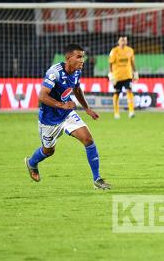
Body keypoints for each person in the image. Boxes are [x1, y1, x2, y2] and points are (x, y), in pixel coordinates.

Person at [24, 44, 111, 190]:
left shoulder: (77, 71)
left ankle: (97, 179)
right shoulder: (54, 73)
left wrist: (86, 108)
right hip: (49, 119)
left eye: (83, 57)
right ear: (68, 58)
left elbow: (76, 89)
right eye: (78, 57)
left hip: (67, 114)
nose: (82, 60)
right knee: (48, 151)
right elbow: (42, 96)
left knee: (88, 139)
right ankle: (32, 163)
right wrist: (61, 104)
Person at [108, 36, 138, 119]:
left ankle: (131, 111)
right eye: (121, 40)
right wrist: (110, 74)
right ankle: (116, 112)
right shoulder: (114, 51)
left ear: (127, 41)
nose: (123, 41)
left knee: (129, 91)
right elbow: (110, 63)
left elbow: (132, 62)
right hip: (117, 76)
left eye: (125, 40)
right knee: (117, 93)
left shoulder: (130, 50)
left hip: (127, 75)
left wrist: (135, 72)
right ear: (118, 41)